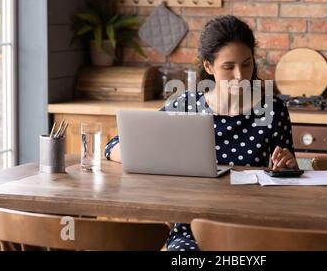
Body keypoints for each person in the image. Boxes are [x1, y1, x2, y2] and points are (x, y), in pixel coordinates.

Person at [104, 15, 298, 251]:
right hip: (192, 230)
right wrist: (151, 157)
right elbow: (114, 144)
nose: (240, 75)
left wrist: (287, 167)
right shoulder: (187, 106)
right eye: (228, 67)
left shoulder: (273, 109)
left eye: (246, 64)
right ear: (208, 66)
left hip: (254, 229)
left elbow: (287, 175)